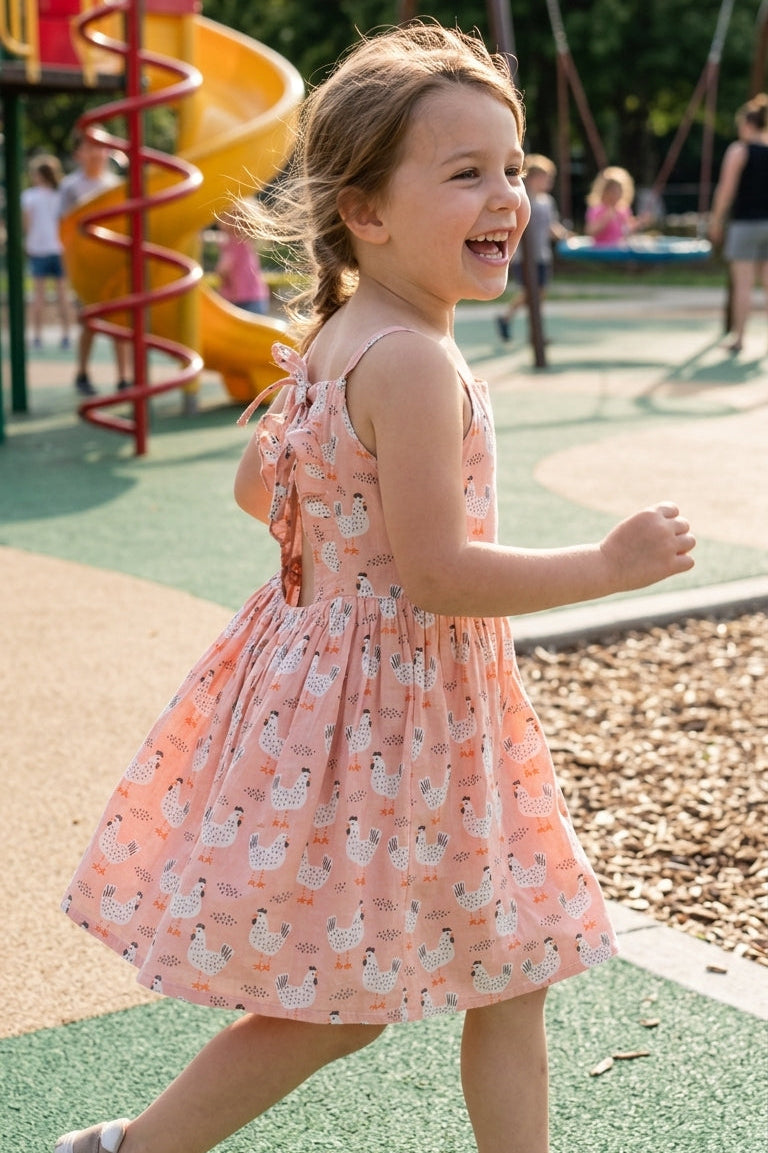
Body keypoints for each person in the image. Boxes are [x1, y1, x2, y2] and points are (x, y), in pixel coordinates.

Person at [54, 23, 696, 1153]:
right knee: (344, 1002)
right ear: (365, 210)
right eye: (465, 174)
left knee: (510, 966)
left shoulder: (341, 335)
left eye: (510, 168)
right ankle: (130, 1148)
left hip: (356, 694)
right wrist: (609, 566)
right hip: (400, 716)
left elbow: (264, 487)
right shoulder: (411, 360)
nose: (506, 196)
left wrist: (338, 568)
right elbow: (441, 574)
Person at [59, 128, 131, 395]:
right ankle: (82, 372)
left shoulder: (114, 185)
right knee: (90, 321)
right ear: (78, 153)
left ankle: (124, 377)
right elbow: (65, 226)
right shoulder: (71, 186)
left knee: (120, 321)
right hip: (86, 264)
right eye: (90, 147)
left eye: (101, 147)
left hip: (111, 262)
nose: (97, 153)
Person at [708, 92, 768, 355]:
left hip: (745, 224)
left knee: (743, 285)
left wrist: (716, 220)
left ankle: (739, 338)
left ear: (747, 124)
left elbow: (726, 190)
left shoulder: (739, 150)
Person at [495, 154, 570, 341]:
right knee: (530, 293)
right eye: (546, 177)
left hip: (542, 255)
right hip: (525, 256)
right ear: (534, 178)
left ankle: (533, 332)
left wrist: (565, 235)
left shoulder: (547, 201)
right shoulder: (522, 199)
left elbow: (551, 226)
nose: (549, 181)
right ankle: (508, 317)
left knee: (539, 294)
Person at [20, 155, 72, 349]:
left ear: (39, 175)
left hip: (39, 249)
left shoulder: (29, 196)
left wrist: (29, 241)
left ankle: (37, 337)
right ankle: (66, 336)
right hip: (59, 248)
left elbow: (26, 224)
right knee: (62, 295)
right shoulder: (61, 196)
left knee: (38, 296)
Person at [215, 211, 271, 315]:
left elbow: (224, 269)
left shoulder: (238, 242)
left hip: (246, 298)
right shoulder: (239, 242)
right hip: (249, 296)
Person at [584, 165, 652, 246]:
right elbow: (590, 231)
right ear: (603, 190)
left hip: (618, 251)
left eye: (619, 190)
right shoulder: (597, 209)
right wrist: (605, 218)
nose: (616, 194)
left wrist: (640, 222)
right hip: (602, 251)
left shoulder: (623, 210)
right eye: (612, 190)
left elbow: (626, 230)